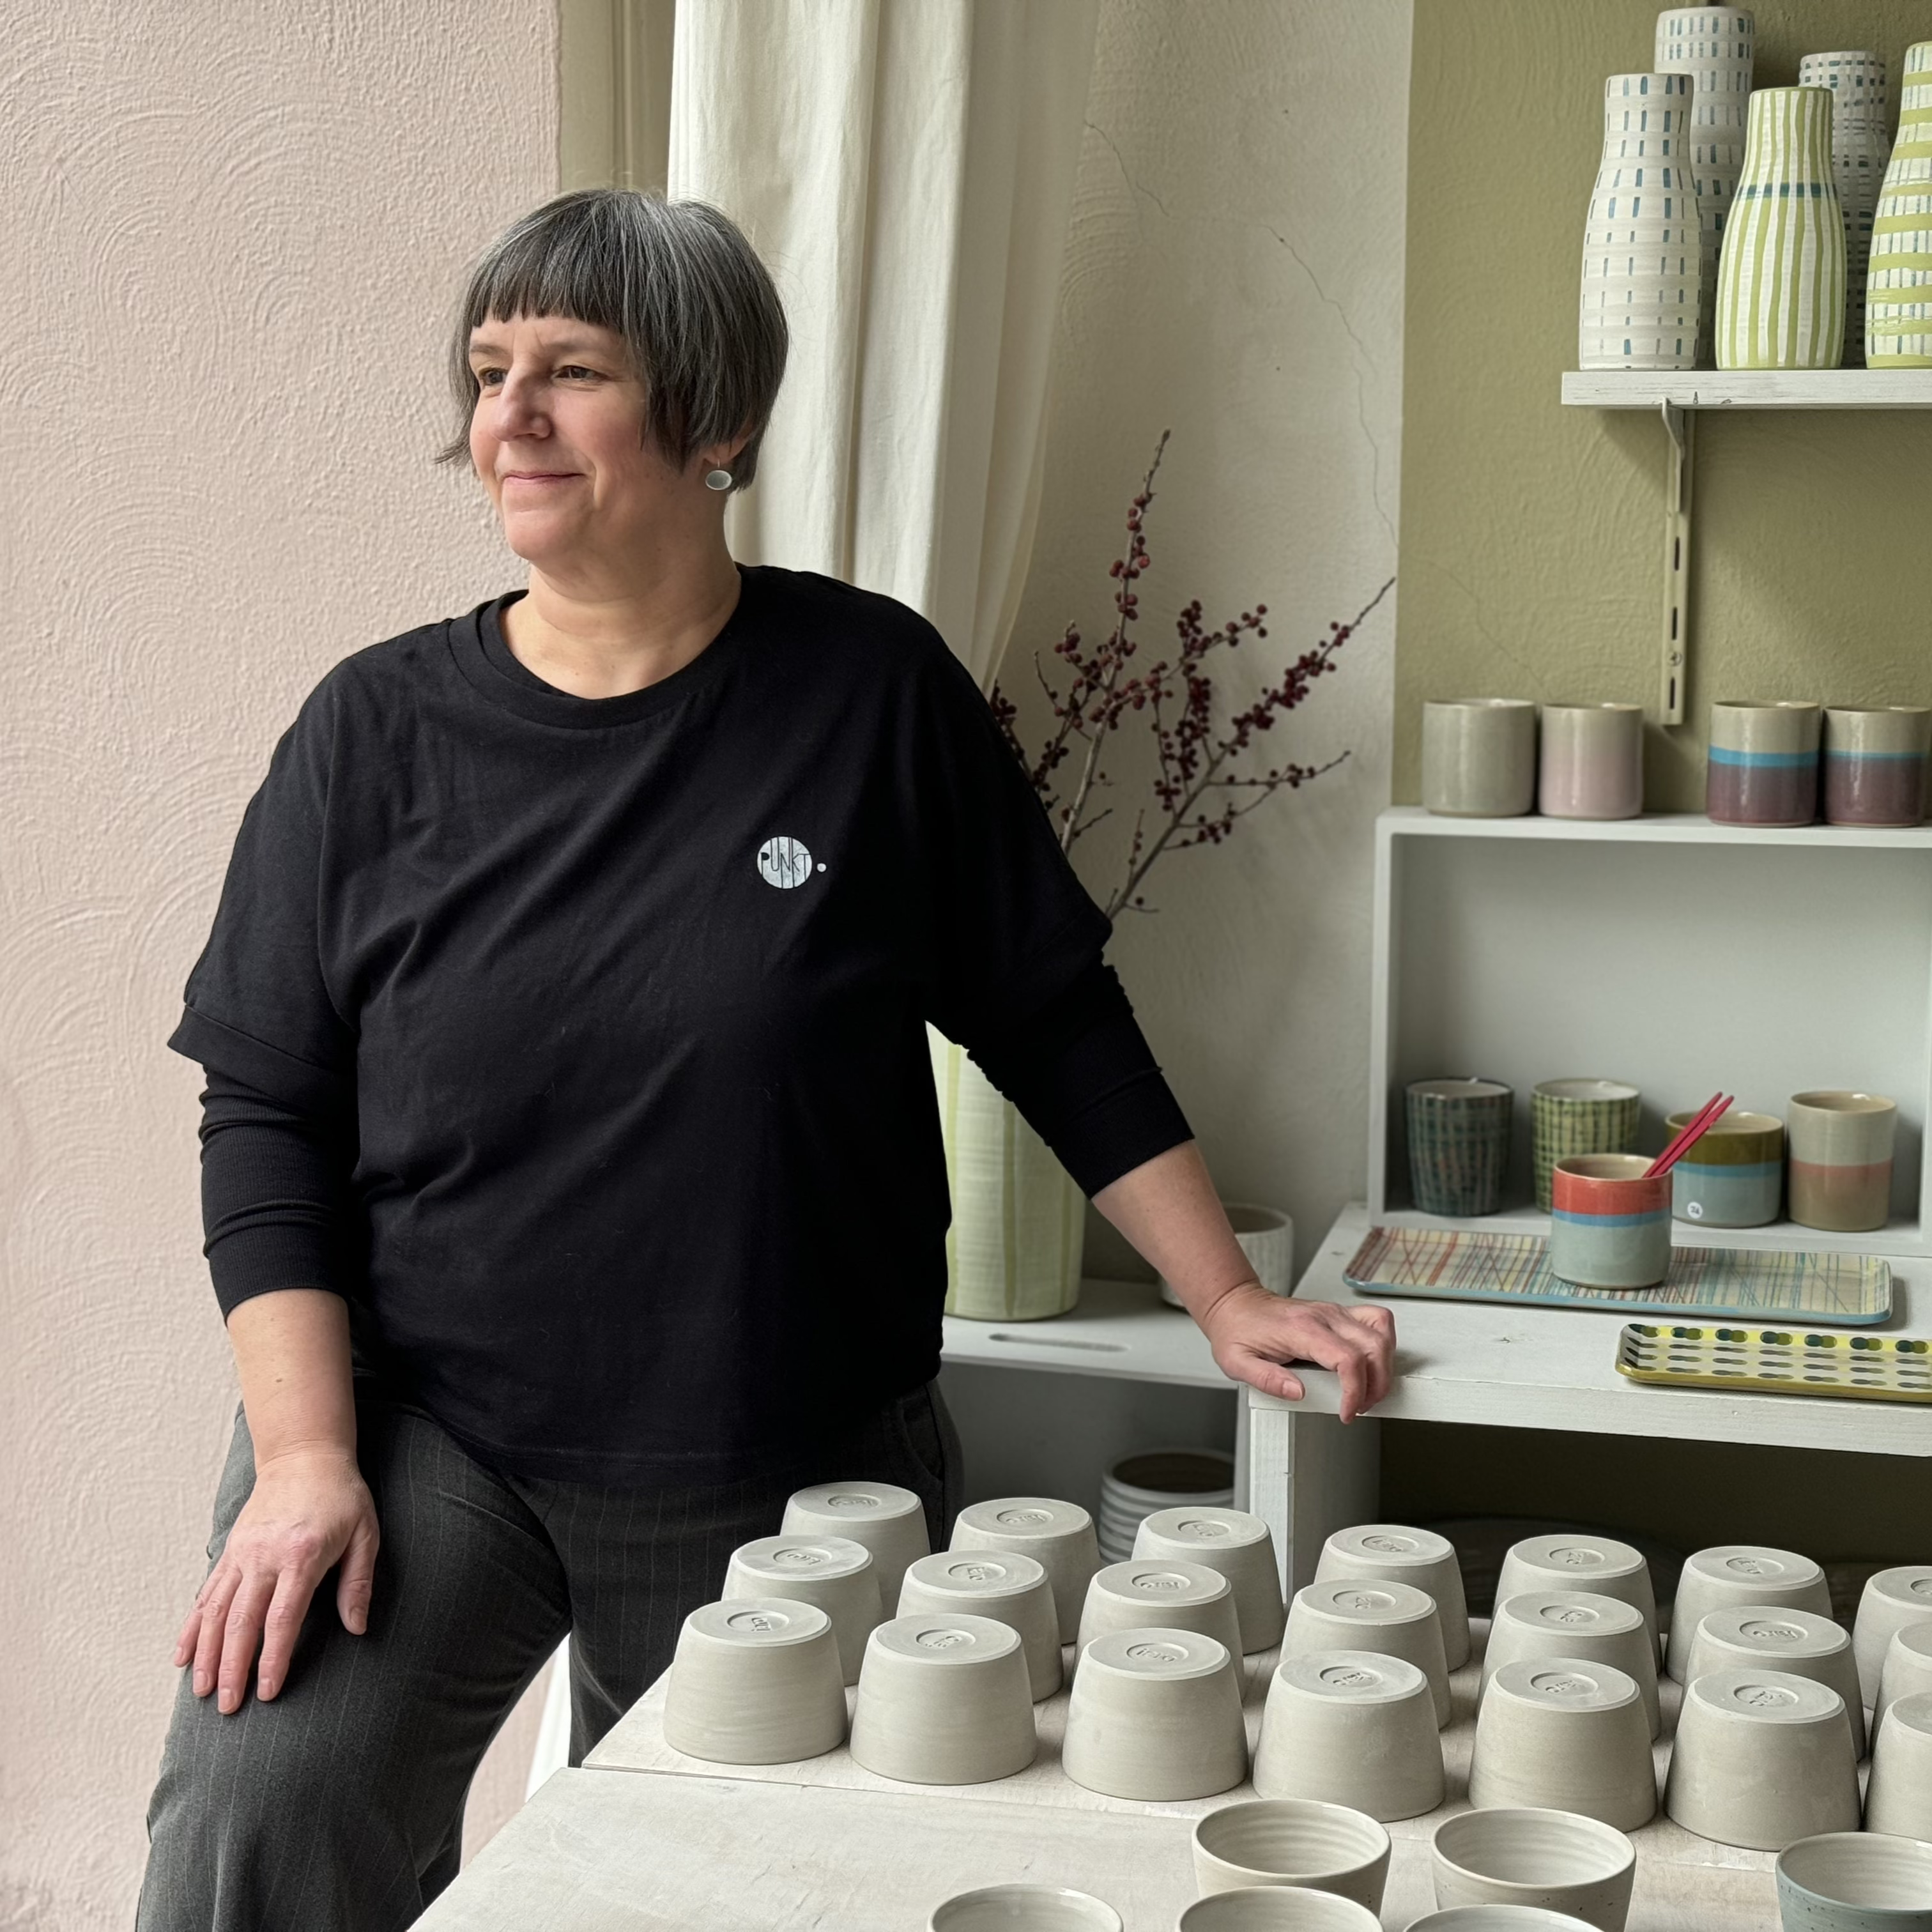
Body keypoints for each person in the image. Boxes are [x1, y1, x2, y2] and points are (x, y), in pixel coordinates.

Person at [137, 188, 1395, 1930]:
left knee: (732, 1891)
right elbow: (264, 1111)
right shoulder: (373, 734)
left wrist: (1218, 1293)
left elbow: (1046, 1007)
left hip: (783, 1440)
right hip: (435, 1428)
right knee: (260, 1817)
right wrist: (302, 1461)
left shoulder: (871, 696)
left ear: (715, 421)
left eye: (571, 371)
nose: (506, 415)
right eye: (490, 369)